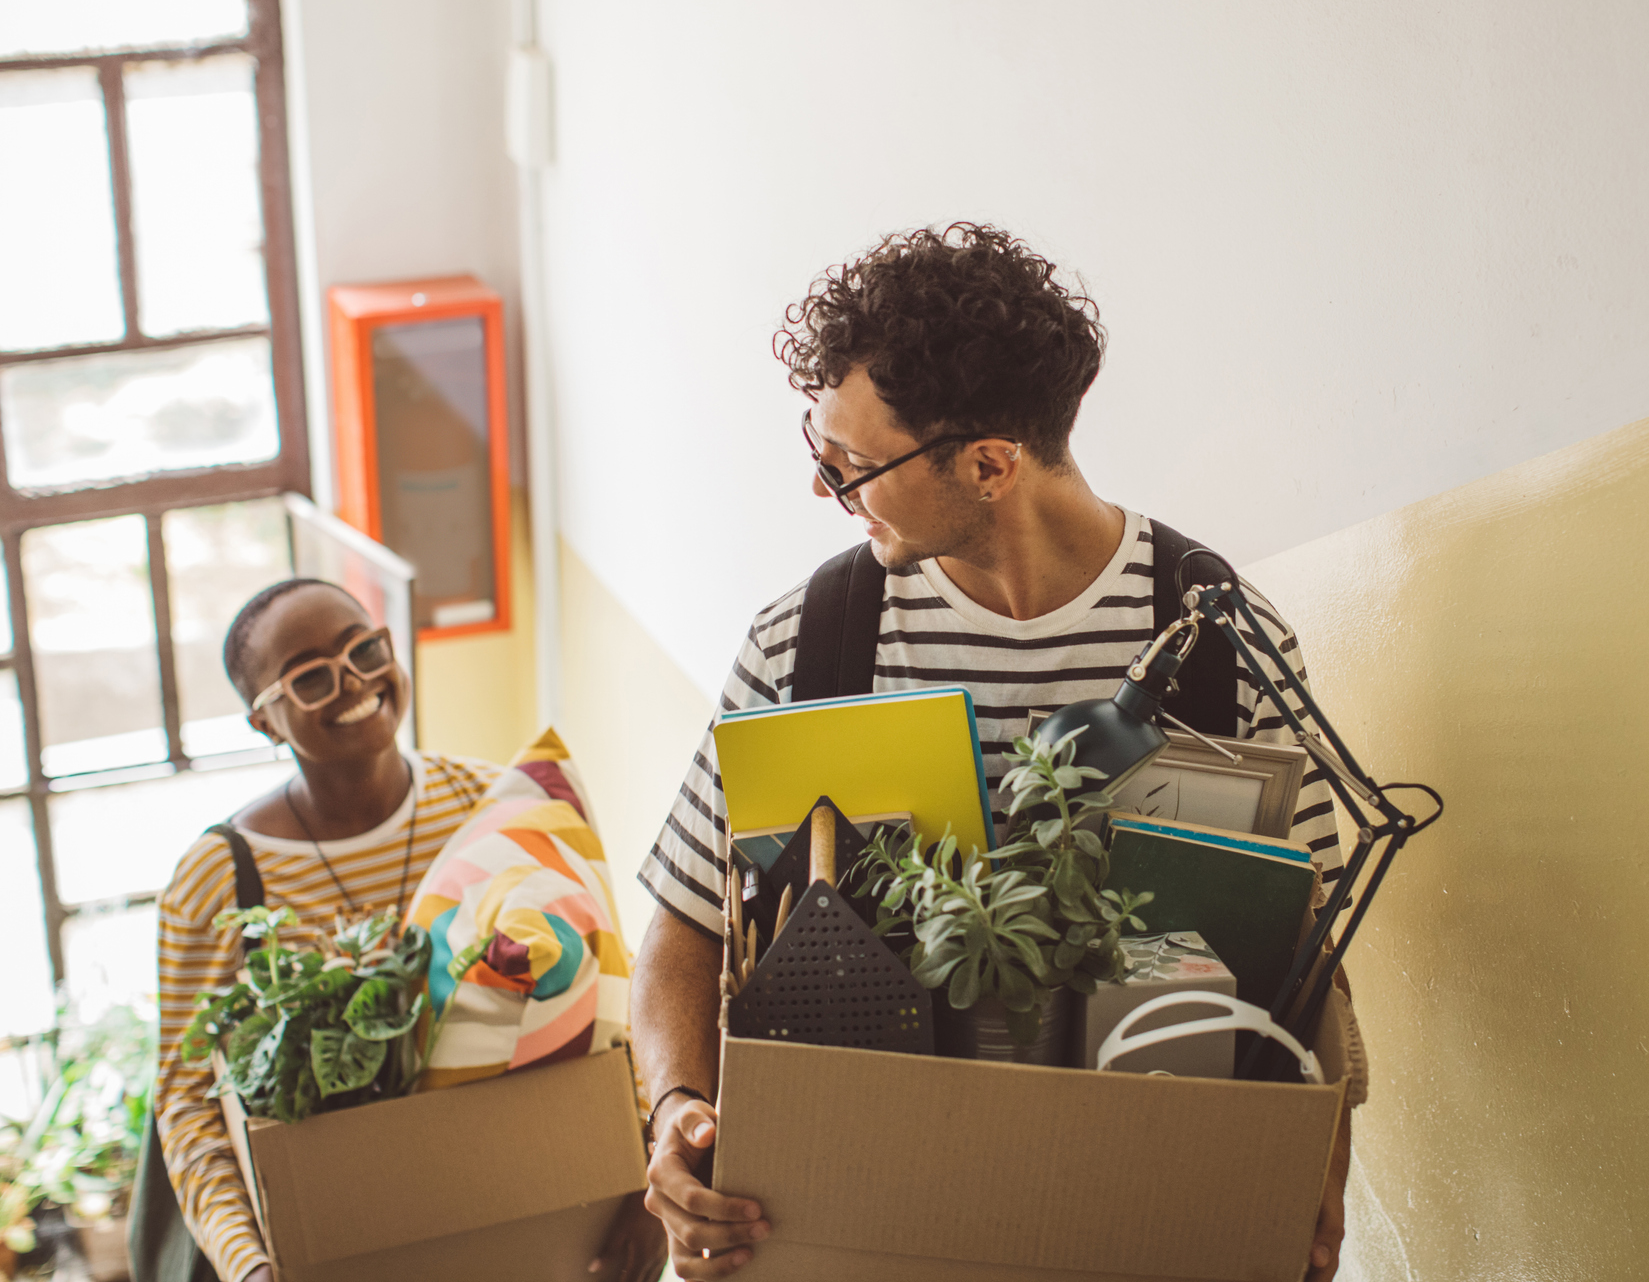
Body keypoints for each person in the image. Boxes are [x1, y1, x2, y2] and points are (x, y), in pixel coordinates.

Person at [631, 224, 1356, 1281]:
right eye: (819, 452)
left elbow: (1309, 954)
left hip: (1136, 1220)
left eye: (850, 467)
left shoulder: (1218, 643)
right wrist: (677, 1110)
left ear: (987, 464)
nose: (826, 490)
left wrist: (1314, 1167)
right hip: (870, 1223)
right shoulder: (809, 639)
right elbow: (686, 927)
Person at [149, 578, 665, 1282]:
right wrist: (249, 1266)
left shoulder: (489, 804)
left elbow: (611, 984)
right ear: (264, 721)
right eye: (310, 677)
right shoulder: (216, 879)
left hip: (520, 1213)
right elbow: (185, 1098)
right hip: (340, 1241)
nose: (355, 680)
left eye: (365, 648)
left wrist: (646, 1178)